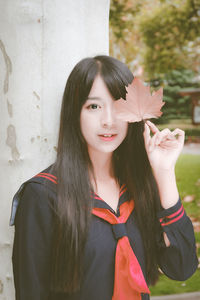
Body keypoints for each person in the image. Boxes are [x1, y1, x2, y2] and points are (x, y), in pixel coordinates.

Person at [10, 55, 198, 300]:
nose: (108, 121)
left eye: (119, 105)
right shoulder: (43, 195)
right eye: (94, 106)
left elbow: (182, 268)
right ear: (74, 113)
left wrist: (164, 173)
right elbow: (32, 291)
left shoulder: (137, 188)